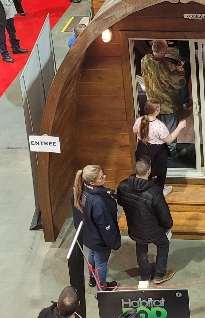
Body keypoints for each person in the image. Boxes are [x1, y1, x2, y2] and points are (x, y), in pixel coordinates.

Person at [116, 157, 175, 285]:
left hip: (135, 227)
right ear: (149, 171)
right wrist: (168, 225)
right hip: (154, 230)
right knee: (163, 245)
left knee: (141, 250)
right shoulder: (154, 192)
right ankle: (159, 275)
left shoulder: (123, 185)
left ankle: (145, 276)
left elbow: (120, 202)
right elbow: (164, 214)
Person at [71, 165, 121, 291]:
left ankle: (93, 279)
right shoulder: (98, 201)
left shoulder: (79, 190)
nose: (104, 177)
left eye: (103, 173)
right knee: (101, 263)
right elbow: (105, 226)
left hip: (88, 235)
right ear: (92, 182)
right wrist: (114, 242)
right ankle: (102, 288)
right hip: (99, 239)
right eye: (101, 177)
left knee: (92, 254)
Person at [133, 99, 186, 195]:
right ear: (156, 111)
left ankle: (145, 189)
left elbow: (135, 131)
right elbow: (169, 139)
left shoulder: (139, 120)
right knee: (161, 171)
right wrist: (179, 127)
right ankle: (160, 189)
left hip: (142, 147)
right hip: (157, 151)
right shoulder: (159, 126)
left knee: (146, 169)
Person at [140, 40, 187, 148]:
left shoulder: (145, 60)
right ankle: (172, 153)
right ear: (164, 50)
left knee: (156, 130)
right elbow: (179, 83)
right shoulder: (169, 67)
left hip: (152, 103)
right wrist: (181, 72)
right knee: (170, 130)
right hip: (168, 105)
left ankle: (159, 150)